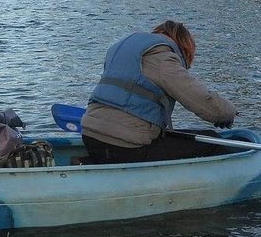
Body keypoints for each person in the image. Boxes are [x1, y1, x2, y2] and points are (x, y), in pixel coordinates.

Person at [80, 20, 238, 164]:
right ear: (184, 48)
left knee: (172, 137)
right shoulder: (163, 58)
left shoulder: (120, 50)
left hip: (90, 135)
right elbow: (205, 103)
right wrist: (228, 113)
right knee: (212, 142)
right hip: (126, 146)